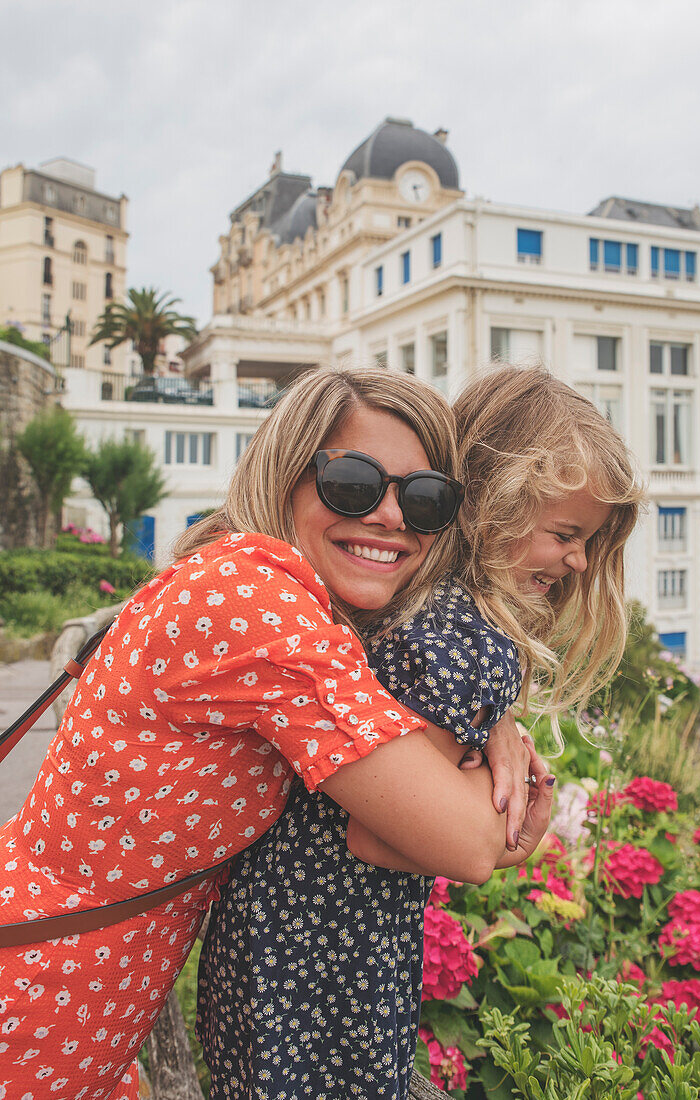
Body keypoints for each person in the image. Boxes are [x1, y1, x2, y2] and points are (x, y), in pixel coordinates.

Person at [0, 366, 531, 1100]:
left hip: (72, 1008)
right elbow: (469, 840)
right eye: (352, 483)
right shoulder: (255, 611)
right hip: (35, 1012)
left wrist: (494, 715)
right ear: (284, 475)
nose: (390, 517)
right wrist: (520, 791)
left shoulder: (243, 575)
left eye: (425, 498)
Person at [196, 365, 643, 1099]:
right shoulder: (463, 635)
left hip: (267, 936)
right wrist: (512, 833)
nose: (578, 562)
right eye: (566, 534)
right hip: (328, 956)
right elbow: (382, 836)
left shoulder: (410, 608)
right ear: (493, 507)